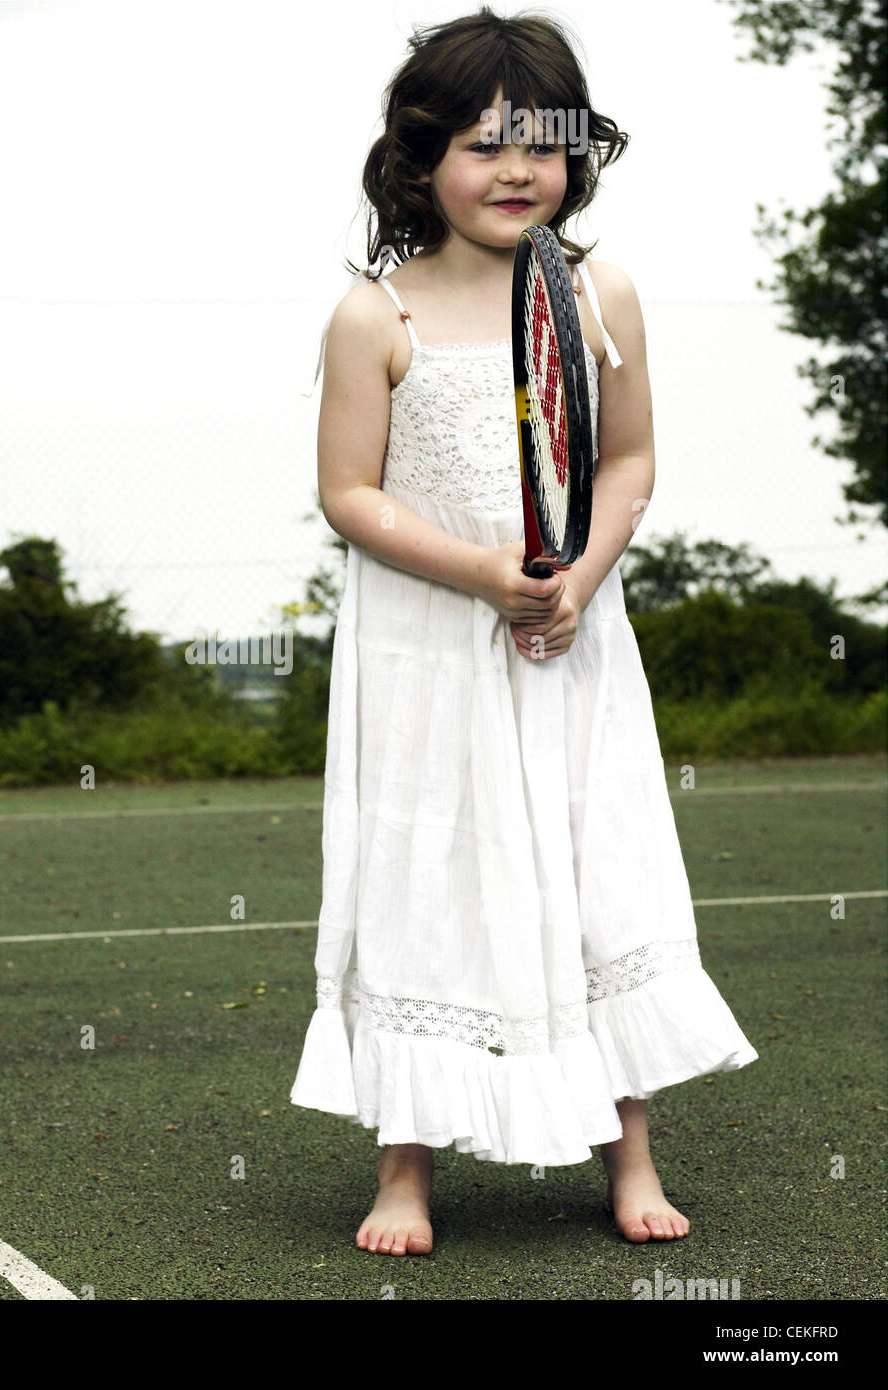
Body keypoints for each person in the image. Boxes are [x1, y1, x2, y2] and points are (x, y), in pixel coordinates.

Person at [290, 6, 758, 1253]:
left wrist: (578, 576)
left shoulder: (600, 293)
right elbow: (350, 495)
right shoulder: (371, 318)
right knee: (424, 889)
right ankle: (404, 1170)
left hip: (571, 649)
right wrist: (485, 576)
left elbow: (634, 457)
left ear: (575, 158)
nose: (514, 171)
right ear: (419, 158)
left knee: (592, 875)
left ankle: (632, 1155)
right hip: (425, 656)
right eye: (483, 145)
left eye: (541, 146)